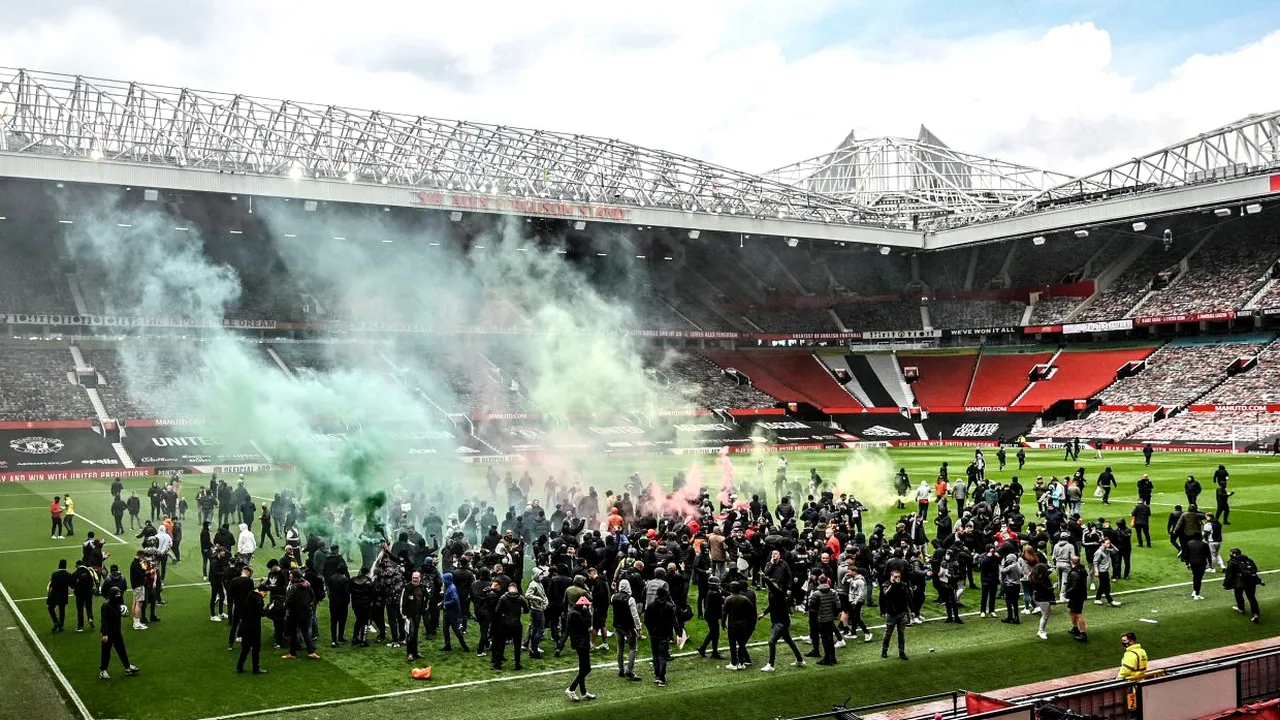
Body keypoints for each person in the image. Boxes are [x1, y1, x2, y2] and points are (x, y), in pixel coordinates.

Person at [760, 572, 804, 672]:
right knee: (789, 641)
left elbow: (772, 587)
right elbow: (772, 606)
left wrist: (764, 578)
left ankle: (771, 665)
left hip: (781, 623)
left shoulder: (778, 593)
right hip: (780, 621)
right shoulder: (772, 593)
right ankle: (800, 660)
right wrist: (764, 614)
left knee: (771, 642)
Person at [98, 586, 140, 679]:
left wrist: (124, 613)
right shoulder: (105, 606)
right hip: (108, 633)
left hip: (117, 632)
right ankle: (103, 670)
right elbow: (104, 621)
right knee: (106, 652)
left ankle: (127, 667)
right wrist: (104, 634)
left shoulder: (118, 605)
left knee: (121, 650)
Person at [643, 585, 678, 686]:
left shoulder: (650, 605)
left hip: (653, 634)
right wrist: (678, 633)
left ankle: (657, 675)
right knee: (662, 656)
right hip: (664, 634)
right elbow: (674, 621)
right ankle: (662, 678)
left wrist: (650, 630)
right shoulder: (669, 606)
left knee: (655, 655)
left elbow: (646, 621)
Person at [611, 576, 642, 681]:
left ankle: (621, 670)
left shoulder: (613, 597)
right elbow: (635, 615)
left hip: (617, 625)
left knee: (620, 648)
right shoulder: (630, 599)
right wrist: (638, 627)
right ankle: (630, 671)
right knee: (633, 648)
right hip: (628, 626)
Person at [492, 581, 528, 670]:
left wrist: (503, 614)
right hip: (516, 624)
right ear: (516, 589)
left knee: (501, 643)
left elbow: (497, 610)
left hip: (504, 624)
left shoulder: (503, 597)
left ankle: (498, 663)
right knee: (517, 645)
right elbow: (527, 610)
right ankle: (517, 664)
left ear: (508, 588)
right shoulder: (520, 598)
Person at [565, 595, 594, 701]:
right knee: (587, 668)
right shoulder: (577, 615)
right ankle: (571, 688)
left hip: (579, 642)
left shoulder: (573, 613)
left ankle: (583, 691)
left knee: (583, 668)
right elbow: (587, 623)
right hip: (581, 643)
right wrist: (587, 612)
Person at [1224, 548, 1262, 623]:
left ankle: (1241, 608)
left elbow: (1229, 575)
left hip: (1239, 582)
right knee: (1252, 598)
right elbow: (1255, 569)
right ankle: (1255, 614)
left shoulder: (1232, 562)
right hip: (1251, 581)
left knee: (1238, 595)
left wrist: (1226, 584)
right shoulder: (1248, 560)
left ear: (1234, 554)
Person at [237, 583, 268, 674]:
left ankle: (240, 665)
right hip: (254, 626)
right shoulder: (258, 600)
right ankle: (256, 668)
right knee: (256, 648)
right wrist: (267, 609)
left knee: (245, 647)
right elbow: (260, 613)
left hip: (245, 625)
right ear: (262, 591)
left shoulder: (250, 595)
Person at [880, 569, 910, 661]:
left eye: (899, 577)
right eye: (895, 577)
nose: (897, 579)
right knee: (888, 633)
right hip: (891, 614)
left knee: (901, 634)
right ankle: (884, 650)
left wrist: (909, 611)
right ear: (891, 576)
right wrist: (893, 585)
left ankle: (901, 652)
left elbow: (907, 598)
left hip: (901, 613)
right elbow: (885, 595)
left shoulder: (903, 585)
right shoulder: (886, 584)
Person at [1064, 556, 1089, 642]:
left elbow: (1075, 586)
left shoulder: (1074, 573)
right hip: (1079, 595)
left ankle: (1083, 633)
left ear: (1071, 562)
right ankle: (1075, 628)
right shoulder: (1082, 570)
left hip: (1076, 596)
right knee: (1071, 610)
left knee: (1078, 614)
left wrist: (1067, 592)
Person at [1030, 562, 1054, 641]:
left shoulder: (1034, 577)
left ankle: (1041, 630)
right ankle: (1041, 631)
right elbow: (1047, 588)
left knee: (1047, 614)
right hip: (1043, 598)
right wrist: (1052, 587)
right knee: (1045, 615)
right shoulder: (1042, 580)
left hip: (1038, 597)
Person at [47, 559, 72, 632]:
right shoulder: (68, 574)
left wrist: (49, 594)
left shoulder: (54, 574)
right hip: (63, 594)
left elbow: (51, 585)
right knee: (62, 610)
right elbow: (71, 585)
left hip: (54, 594)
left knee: (50, 608)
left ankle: (55, 621)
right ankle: (61, 625)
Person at [72, 560, 97, 632]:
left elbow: (72, 584)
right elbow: (93, 581)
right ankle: (90, 618)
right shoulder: (89, 571)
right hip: (89, 592)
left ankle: (80, 626)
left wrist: (76, 588)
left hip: (79, 593)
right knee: (89, 606)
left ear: (77, 566)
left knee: (80, 609)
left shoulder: (75, 573)